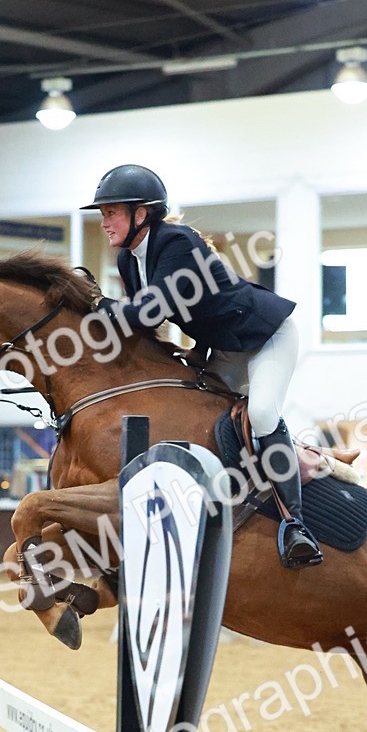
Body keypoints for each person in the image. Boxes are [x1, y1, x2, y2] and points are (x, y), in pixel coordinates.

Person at [81, 163, 323, 570]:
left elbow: (150, 311)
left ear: (142, 213)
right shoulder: (128, 261)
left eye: (112, 212)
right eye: (103, 214)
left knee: (261, 412)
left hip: (266, 336)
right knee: (202, 417)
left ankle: (295, 525)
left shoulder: (178, 241)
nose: (105, 222)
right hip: (222, 347)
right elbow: (145, 325)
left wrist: (95, 303)